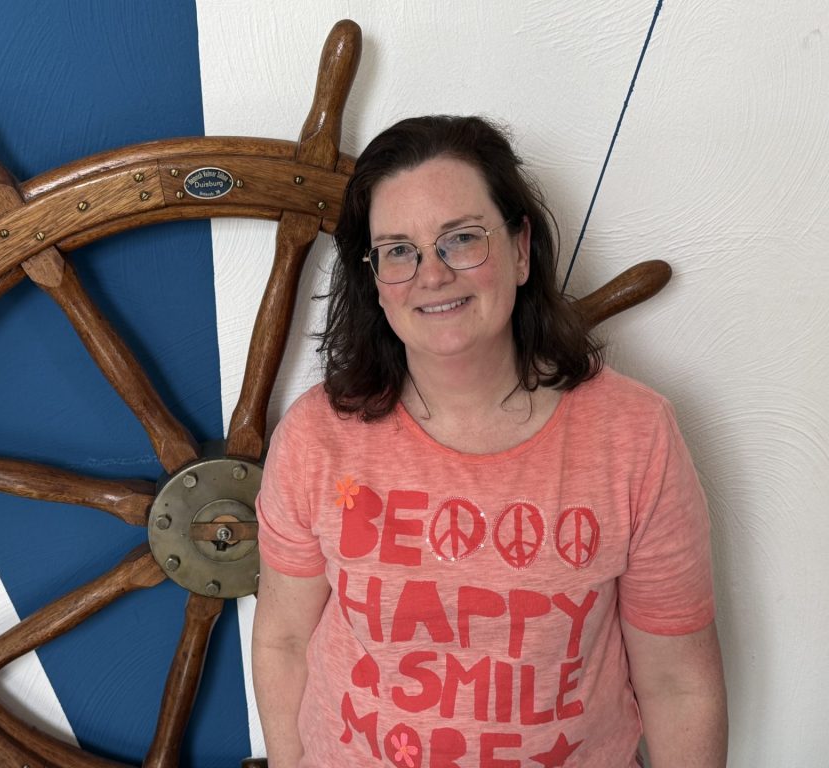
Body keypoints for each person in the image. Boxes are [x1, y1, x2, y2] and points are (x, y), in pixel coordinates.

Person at [251, 115, 727, 767]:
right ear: (375, 280)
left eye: (461, 239)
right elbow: (282, 640)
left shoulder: (636, 436)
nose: (432, 274)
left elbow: (678, 683)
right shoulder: (315, 437)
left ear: (521, 249)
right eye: (399, 250)